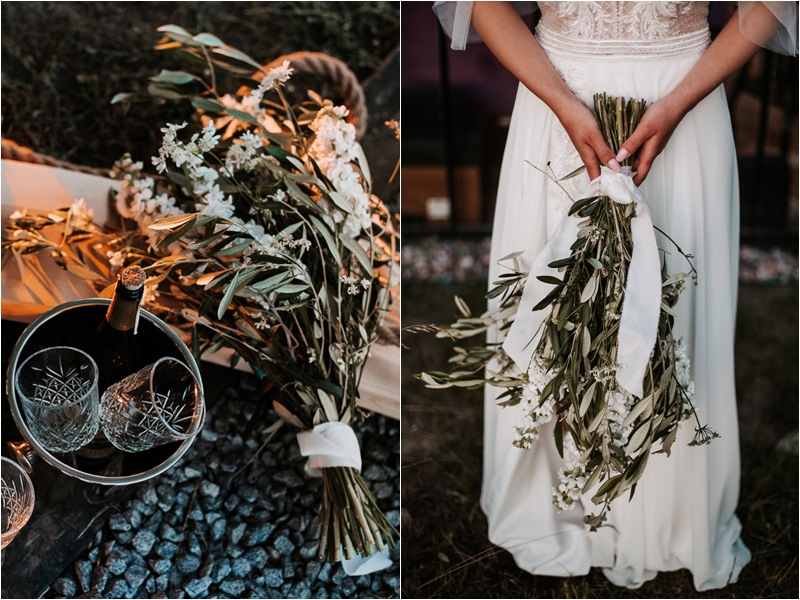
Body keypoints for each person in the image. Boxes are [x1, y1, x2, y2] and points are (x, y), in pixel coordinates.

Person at [433, 1, 796, 591]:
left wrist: (679, 103)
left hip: (685, 94)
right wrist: (563, 102)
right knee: (552, 307)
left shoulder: (685, 101)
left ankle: (665, 505)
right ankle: (556, 494)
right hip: (556, 100)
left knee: (671, 313)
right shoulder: (557, 100)